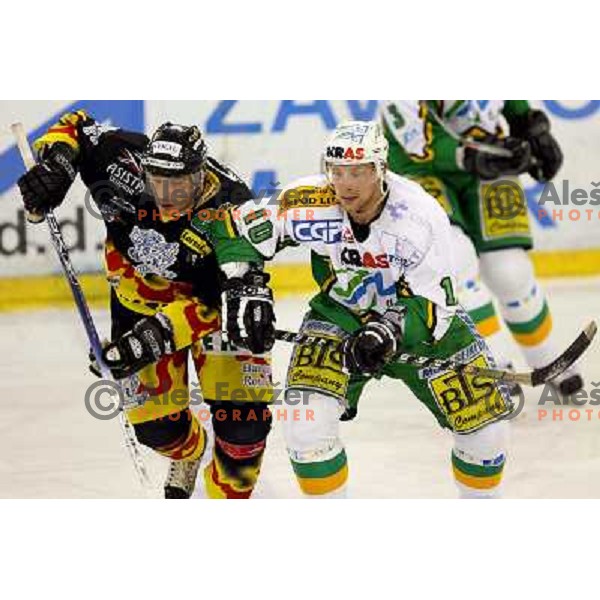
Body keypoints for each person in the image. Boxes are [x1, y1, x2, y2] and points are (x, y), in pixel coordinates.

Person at [213, 120, 513, 498]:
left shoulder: (419, 216)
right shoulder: (311, 200)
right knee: (306, 425)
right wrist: (245, 285)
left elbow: (434, 303)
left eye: (357, 172)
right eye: (336, 172)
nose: (345, 184)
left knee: (486, 435)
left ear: (380, 170)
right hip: (340, 316)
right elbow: (235, 227)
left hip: (422, 330)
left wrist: (388, 331)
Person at [17, 110, 276, 499]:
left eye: (181, 185)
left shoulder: (233, 207)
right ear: (144, 170)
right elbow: (75, 124)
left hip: (209, 311)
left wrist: (151, 339)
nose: (168, 197)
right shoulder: (119, 157)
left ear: (201, 175)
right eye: (158, 183)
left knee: (244, 428)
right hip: (139, 298)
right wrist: (57, 165)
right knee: (159, 430)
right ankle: (190, 453)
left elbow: (226, 302)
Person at [381, 100, 582, 395]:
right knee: (456, 262)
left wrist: (531, 126)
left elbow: (509, 103)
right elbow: (421, 146)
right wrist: (473, 154)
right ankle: (490, 363)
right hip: (418, 170)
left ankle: (548, 357)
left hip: (488, 154)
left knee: (509, 271)